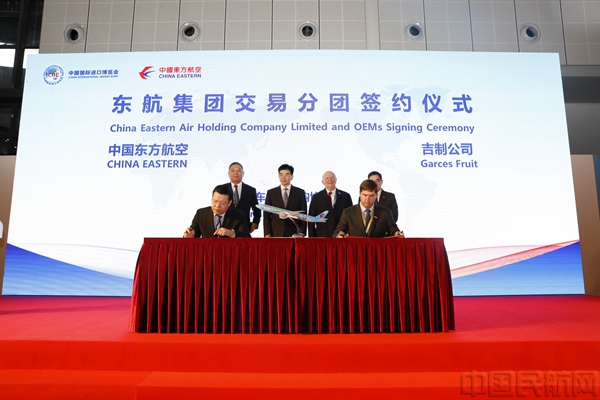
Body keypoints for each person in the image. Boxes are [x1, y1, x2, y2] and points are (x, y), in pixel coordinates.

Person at [333, 179, 404, 238]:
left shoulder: (385, 213)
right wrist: (339, 235)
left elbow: (394, 231)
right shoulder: (348, 212)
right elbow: (337, 233)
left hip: (377, 250)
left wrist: (397, 233)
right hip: (356, 250)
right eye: (365, 195)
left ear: (376, 195)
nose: (367, 199)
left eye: (371, 196)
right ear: (359, 193)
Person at [183, 184, 250, 238]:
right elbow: (194, 233)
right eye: (215, 201)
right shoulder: (201, 214)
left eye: (222, 203)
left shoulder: (238, 215)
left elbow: (247, 237)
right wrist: (189, 235)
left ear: (229, 203)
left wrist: (231, 233)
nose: (217, 205)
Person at [264, 164, 307, 237]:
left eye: (287, 174)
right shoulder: (271, 193)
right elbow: (266, 215)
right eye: (281, 175)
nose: (283, 177)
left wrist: (303, 232)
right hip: (276, 231)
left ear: (292, 177)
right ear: (278, 176)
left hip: (294, 232)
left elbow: (304, 214)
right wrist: (267, 233)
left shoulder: (300, 192)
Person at [308, 171, 353, 238]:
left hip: (341, 236)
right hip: (321, 236)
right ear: (322, 182)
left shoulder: (346, 196)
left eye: (332, 177)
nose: (330, 180)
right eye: (327, 178)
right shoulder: (316, 197)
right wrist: (312, 238)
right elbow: (311, 219)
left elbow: (351, 217)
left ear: (336, 180)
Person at [222, 162, 261, 233]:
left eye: (238, 170)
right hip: (225, 227)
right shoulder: (222, 189)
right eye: (233, 171)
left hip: (244, 227)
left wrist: (255, 223)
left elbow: (257, 209)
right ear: (228, 173)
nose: (235, 173)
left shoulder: (250, 190)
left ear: (243, 173)